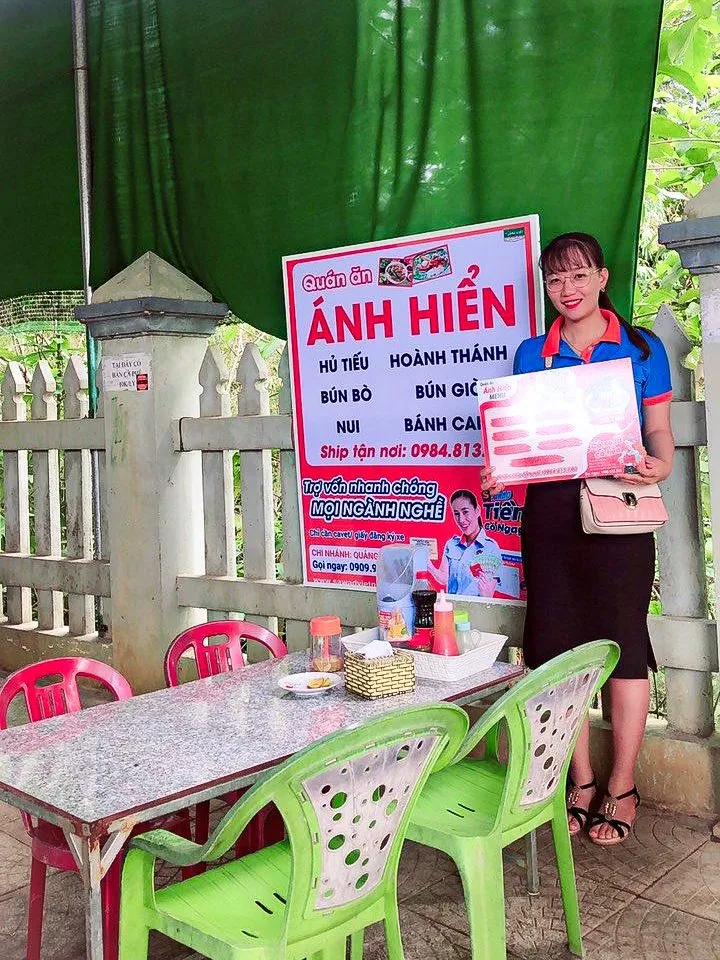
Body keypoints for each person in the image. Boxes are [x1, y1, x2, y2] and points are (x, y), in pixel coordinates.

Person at [481, 232, 674, 847]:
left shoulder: (641, 348)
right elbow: (525, 439)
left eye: (579, 275)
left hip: (618, 505)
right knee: (559, 647)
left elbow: (660, 434)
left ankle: (623, 786)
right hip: (551, 513)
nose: (567, 289)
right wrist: (502, 467)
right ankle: (580, 781)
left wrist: (660, 464)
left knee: (624, 642)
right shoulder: (531, 354)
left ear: (602, 277)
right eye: (555, 279)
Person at [429, 489, 503, 597]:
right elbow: (444, 579)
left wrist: (485, 593)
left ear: (477, 511)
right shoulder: (451, 544)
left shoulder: (491, 548)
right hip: (451, 605)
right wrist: (428, 565)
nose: (461, 520)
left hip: (475, 606)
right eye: (456, 514)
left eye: (465, 512)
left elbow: (489, 594)